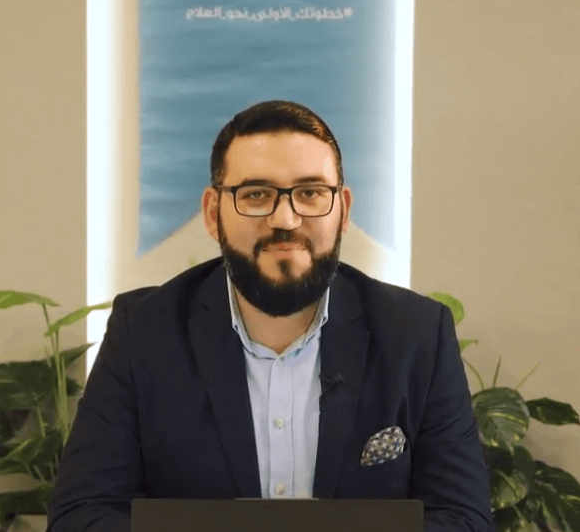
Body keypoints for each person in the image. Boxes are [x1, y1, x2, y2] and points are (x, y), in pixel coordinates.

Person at [47, 101, 494, 532]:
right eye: (256, 194)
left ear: (343, 211)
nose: (285, 218)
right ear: (212, 213)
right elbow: (81, 514)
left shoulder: (417, 334)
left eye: (310, 193)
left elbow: (463, 518)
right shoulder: (143, 331)